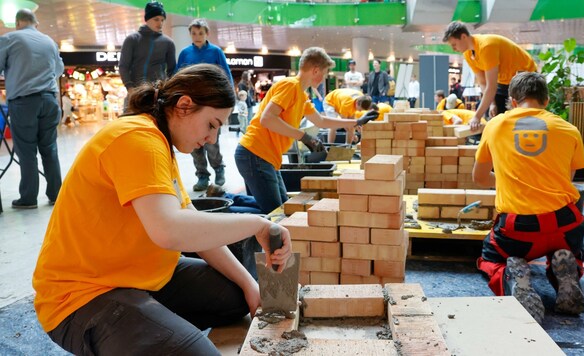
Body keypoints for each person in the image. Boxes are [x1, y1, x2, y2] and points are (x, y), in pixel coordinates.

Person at [32, 64, 293, 355]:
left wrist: (249, 286)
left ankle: (148, 320)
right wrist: (256, 224)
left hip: (137, 275)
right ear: (184, 106)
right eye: (211, 124)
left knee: (236, 296)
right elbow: (169, 230)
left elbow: (191, 223)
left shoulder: (158, 142)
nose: (211, 139)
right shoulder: (137, 138)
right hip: (83, 295)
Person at [472, 72, 584, 324]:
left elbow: (480, 178)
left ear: (513, 101)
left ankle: (513, 279)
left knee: (490, 257)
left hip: (518, 231)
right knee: (574, 251)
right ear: (546, 100)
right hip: (563, 225)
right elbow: (565, 180)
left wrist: (506, 179)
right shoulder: (569, 129)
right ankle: (566, 275)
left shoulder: (495, 125)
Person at [235, 47, 377, 214]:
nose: (324, 77)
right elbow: (267, 119)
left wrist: (356, 121)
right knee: (276, 214)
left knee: (283, 206)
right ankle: (225, 208)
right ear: (315, 70)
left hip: (266, 156)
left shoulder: (301, 95)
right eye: (324, 73)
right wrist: (304, 137)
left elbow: (321, 121)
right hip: (255, 153)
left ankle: (227, 198)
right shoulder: (290, 86)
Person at [0, 9, 64, 209]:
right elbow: (59, 70)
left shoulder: (9, 38)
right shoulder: (49, 41)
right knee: (49, 148)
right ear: (35, 23)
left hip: (24, 101)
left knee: (26, 150)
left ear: (18, 22)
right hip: (50, 100)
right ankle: (56, 194)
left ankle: (28, 198)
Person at [443, 21, 536, 130]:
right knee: (494, 114)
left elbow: (491, 87)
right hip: (505, 81)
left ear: (463, 36)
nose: (454, 49)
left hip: (525, 77)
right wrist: (492, 104)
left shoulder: (486, 46)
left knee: (519, 119)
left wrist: (477, 117)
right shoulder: (468, 54)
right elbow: (483, 83)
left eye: (454, 44)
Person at [177, 18, 233, 189]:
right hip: (192, 105)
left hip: (211, 103)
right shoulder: (185, 53)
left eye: (200, 33)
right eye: (194, 33)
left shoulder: (216, 52)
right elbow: (178, 76)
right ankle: (202, 175)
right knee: (194, 143)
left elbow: (226, 76)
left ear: (207, 33)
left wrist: (228, 100)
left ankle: (219, 169)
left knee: (212, 142)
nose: (197, 36)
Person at [119, 1, 176, 94]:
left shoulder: (168, 43)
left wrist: (166, 90)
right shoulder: (132, 39)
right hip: (135, 94)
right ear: (147, 19)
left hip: (158, 95)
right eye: (156, 19)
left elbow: (172, 71)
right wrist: (130, 88)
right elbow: (123, 66)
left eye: (162, 20)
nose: (160, 23)